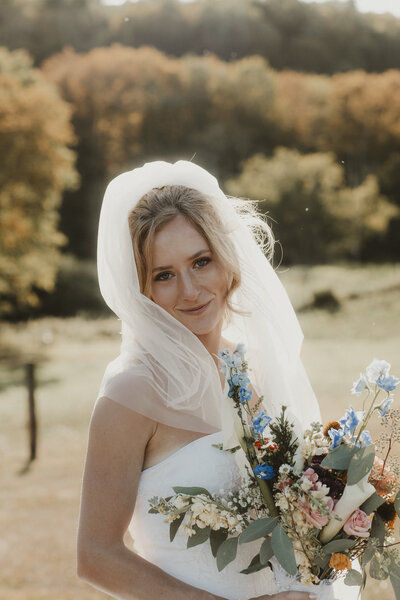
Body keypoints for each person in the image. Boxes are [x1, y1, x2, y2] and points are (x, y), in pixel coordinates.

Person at [77, 161, 356, 600]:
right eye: (163, 275)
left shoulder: (261, 366)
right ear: (142, 290)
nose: (189, 290)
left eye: (200, 262)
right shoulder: (130, 392)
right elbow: (96, 555)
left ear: (227, 261)